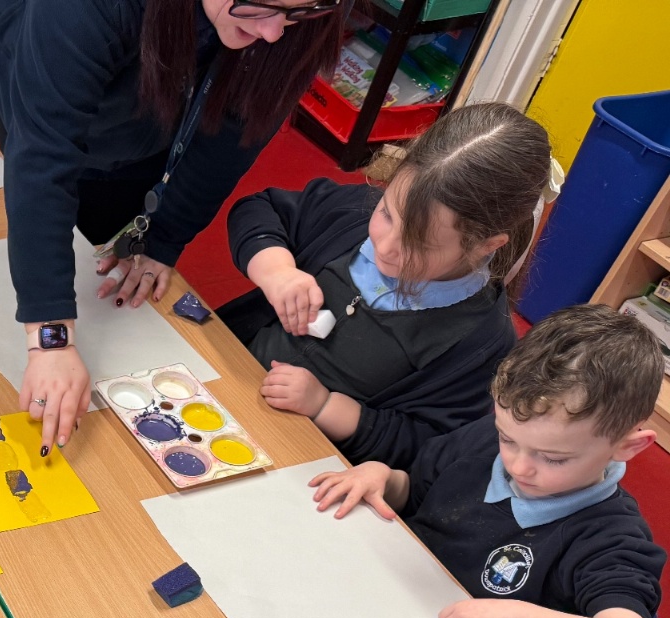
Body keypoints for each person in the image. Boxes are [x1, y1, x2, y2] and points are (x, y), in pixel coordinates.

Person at [0, 0, 352, 453]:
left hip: (163, 89)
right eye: (260, 4)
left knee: (107, 238)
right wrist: (50, 337)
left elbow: (237, 128)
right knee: (49, 206)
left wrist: (163, 238)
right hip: (59, 54)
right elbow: (43, 156)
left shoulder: (295, 13)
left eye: (297, 14)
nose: (275, 32)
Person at [309, 305, 665, 618]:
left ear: (628, 446)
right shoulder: (484, 440)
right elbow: (414, 494)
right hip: (380, 601)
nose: (518, 466)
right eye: (507, 439)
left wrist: (517, 616)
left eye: (553, 458)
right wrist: (383, 479)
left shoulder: (611, 537)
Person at [224, 102, 554, 467]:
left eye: (419, 244)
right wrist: (277, 271)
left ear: (486, 246)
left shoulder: (479, 343)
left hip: (298, 458)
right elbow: (259, 210)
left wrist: (327, 407)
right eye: (386, 214)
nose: (385, 246)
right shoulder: (352, 214)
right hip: (229, 377)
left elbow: (427, 447)